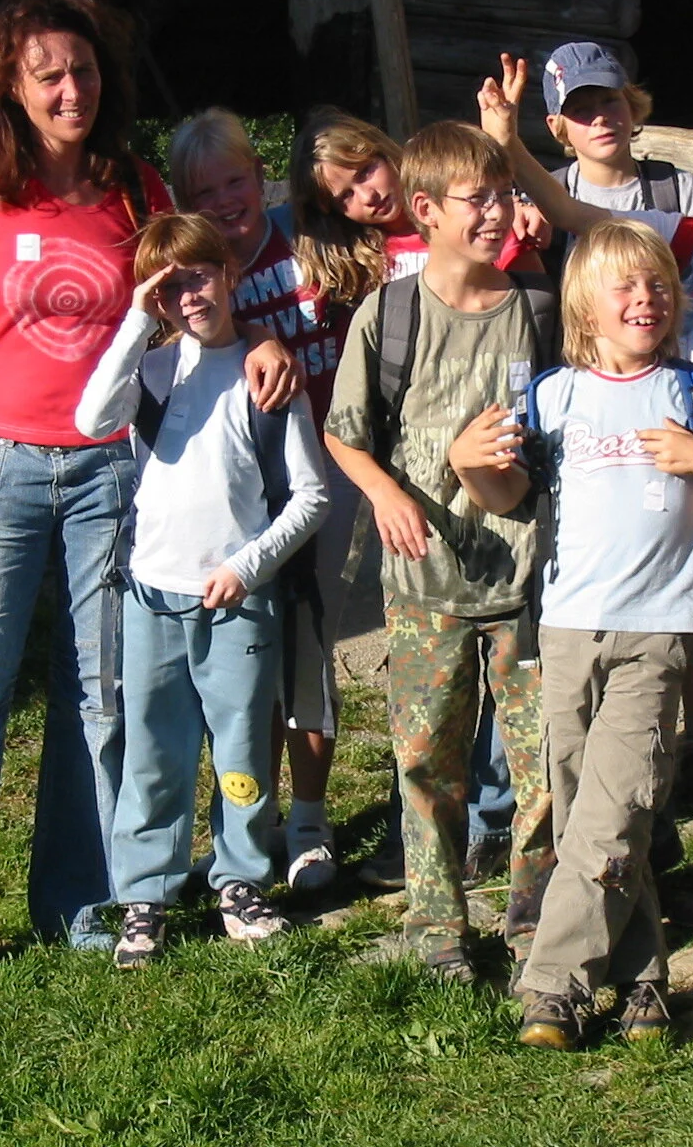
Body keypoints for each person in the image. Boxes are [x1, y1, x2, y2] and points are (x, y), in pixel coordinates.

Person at [0, 0, 295, 987]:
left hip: (116, 473)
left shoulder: (135, 190)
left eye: (84, 70)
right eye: (49, 73)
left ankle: (81, 903)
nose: (72, 89)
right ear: (9, 88)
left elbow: (201, 296)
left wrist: (262, 337)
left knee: (99, 697)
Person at [480, 61, 693, 927]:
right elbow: (573, 217)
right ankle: (648, 836)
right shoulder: (683, 239)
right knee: (670, 664)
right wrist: (509, 142)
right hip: (660, 485)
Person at [451, 219, 693, 1048]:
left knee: (615, 811)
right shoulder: (553, 396)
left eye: (656, 284)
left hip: (664, 626)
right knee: (596, 816)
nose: (644, 298)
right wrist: (467, 462)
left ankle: (552, 985)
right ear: (585, 306)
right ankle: (644, 980)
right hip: (572, 625)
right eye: (624, 285)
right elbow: (506, 498)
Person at [288, 107, 547, 891]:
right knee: (427, 765)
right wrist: (384, 493)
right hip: (424, 580)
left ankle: (537, 923)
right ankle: (436, 925)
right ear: (427, 210)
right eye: (479, 198)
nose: (496, 210)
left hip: (524, 582)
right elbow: (345, 432)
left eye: (502, 193)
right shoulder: (390, 314)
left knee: (542, 773)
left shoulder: (537, 310)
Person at [76, 213, 328, 964]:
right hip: (152, 595)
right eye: (172, 284)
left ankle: (242, 879)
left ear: (229, 274)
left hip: (237, 600)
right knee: (153, 750)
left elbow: (310, 497)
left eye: (202, 274)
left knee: (243, 750)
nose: (191, 294)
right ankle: (145, 893)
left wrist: (246, 567)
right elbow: (91, 418)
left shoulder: (267, 376)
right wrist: (132, 318)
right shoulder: (150, 373)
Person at [169, 108, 356, 892]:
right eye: (205, 192)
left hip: (323, 473)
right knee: (252, 668)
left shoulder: (303, 242)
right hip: (238, 486)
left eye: (236, 182)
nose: (226, 203)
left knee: (308, 660)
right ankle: (256, 818)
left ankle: (310, 821)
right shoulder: (194, 272)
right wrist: (253, 333)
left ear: (260, 178)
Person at [540, 40, 693, 261]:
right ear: (556, 125)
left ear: (631, 104)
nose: (600, 117)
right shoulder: (545, 199)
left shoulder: (678, 190)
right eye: (581, 109)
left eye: (610, 101)